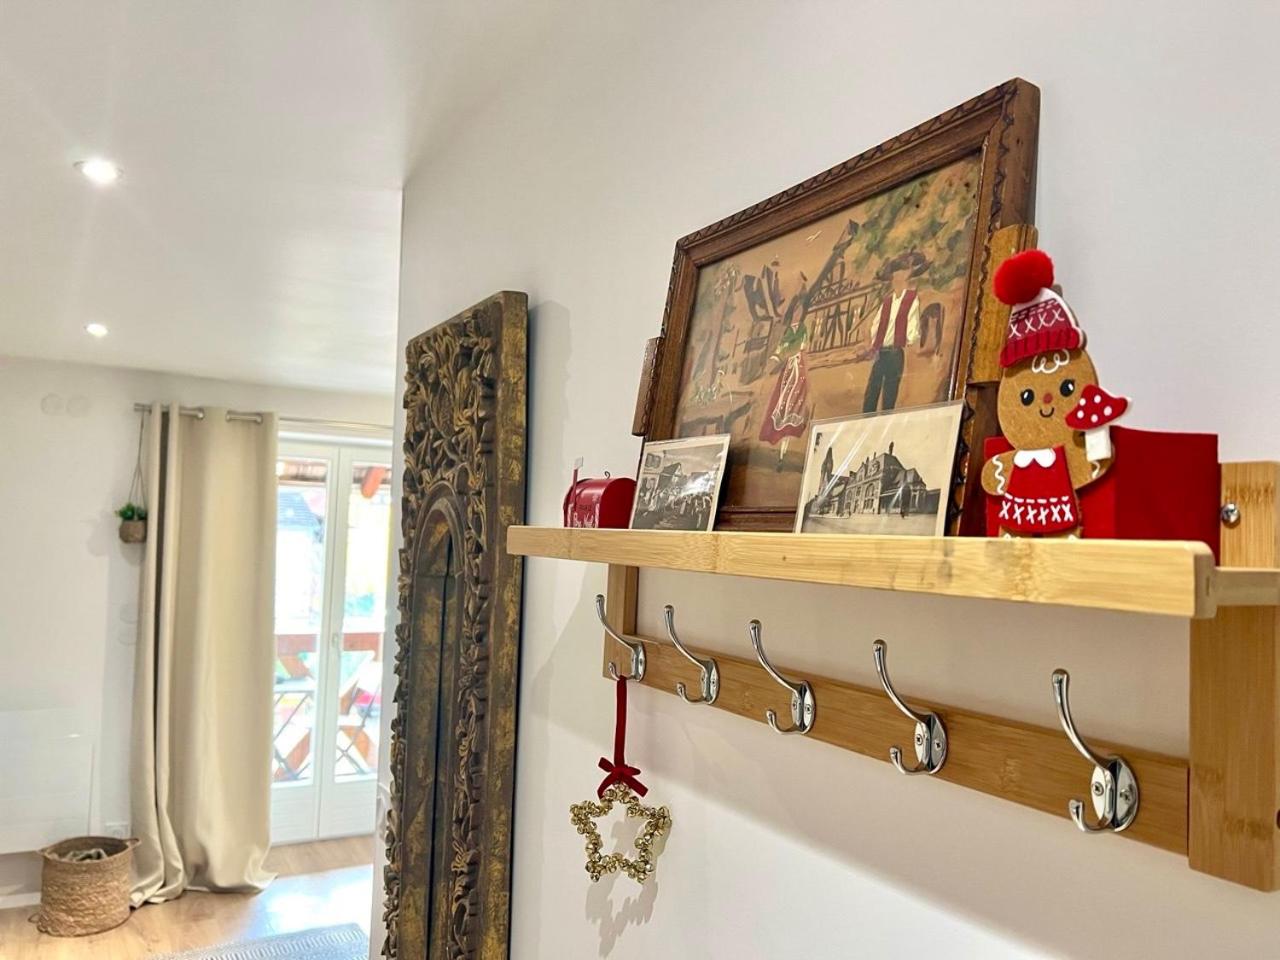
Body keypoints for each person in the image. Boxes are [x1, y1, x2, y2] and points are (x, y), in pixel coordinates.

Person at [861, 251, 928, 412]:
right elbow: (875, 325)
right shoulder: (886, 302)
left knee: (890, 392)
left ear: (905, 277)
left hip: (895, 352)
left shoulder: (911, 299)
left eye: (900, 275)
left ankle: (886, 420)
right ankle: (866, 419)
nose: (897, 279)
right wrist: (871, 343)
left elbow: (913, 325)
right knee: (872, 390)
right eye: (894, 276)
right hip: (880, 353)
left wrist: (911, 339)